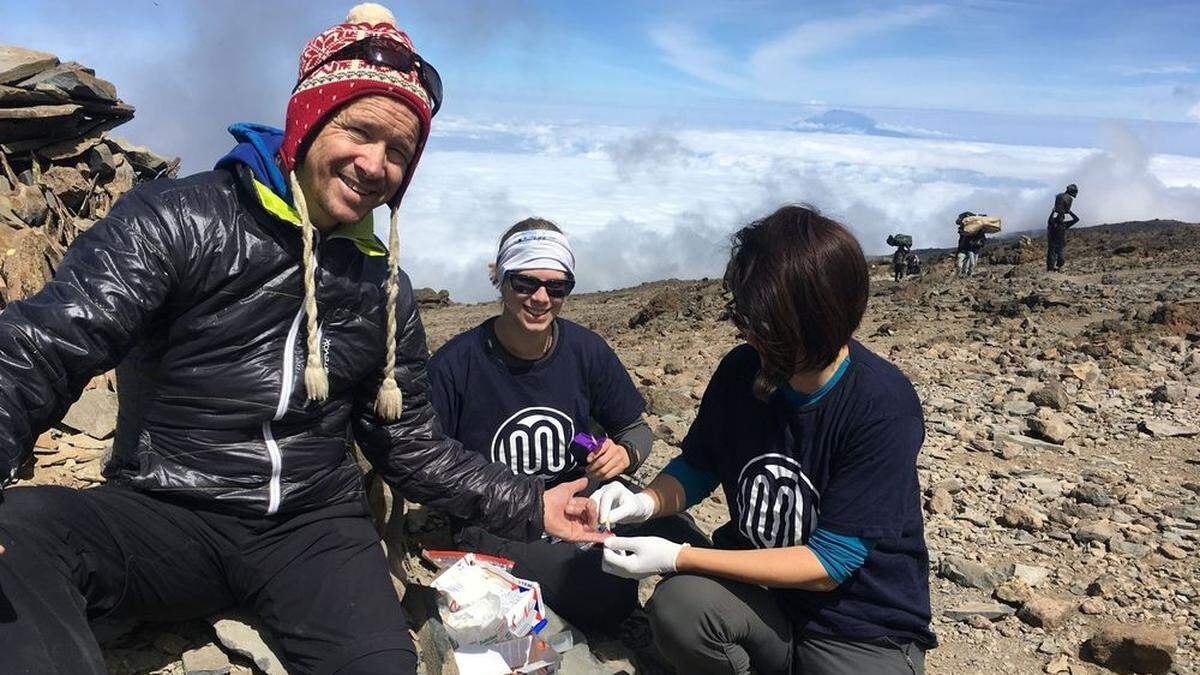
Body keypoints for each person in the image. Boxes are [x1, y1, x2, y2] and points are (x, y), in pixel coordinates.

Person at [0, 6, 599, 674]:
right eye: (361, 131)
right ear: (310, 118)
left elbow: (409, 441)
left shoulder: (384, 288)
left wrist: (530, 501)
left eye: (399, 151)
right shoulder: (178, 219)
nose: (376, 164)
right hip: (165, 512)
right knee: (18, 534)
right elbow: (45, 343)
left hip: (312, 533)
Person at [591, 205, 936, 674]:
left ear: (812, 321)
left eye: (760, 321)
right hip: (761, 599)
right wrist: (646, 504)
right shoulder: (742, 371)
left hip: (858, 625)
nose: (745, 331)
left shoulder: (880, 404)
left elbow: (828, 564)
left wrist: (679, 556)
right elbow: (700, 464)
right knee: (681, 606)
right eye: (741, 315)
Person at [428, 217, 708, 632]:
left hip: (584, 496)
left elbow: (636, 428)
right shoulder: (456, 365)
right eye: (525, 283)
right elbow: (430, 465)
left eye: (556, 287)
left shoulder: (584, 350)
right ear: (501, 280)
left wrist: (624, 454)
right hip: (499, 513)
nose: (541, 298)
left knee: (690, 543)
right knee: (603, 595)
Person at [1046, 184, 1079, 272]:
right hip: (1054, 244)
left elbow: (1076, 219)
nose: (1061, 217)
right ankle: (1050, 271)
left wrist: (1069, 212)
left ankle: (1057, 269)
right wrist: (1053, 211)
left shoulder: (1064, 225)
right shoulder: (1053, 223)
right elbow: (1050, 219)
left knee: (1061, 259)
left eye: (1062, 216)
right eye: (1060, 216)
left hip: (1061, 244)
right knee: (1051, 258)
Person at [955, 212, 987, 278]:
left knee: (973, 264)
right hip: (970, 249)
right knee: (970, 263)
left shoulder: (978, 234)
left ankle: (968, 275)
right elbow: (961, 232)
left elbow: (983, 241)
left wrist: (981, 244)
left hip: (976, 250)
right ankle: (964, 275)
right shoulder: (968, 232)